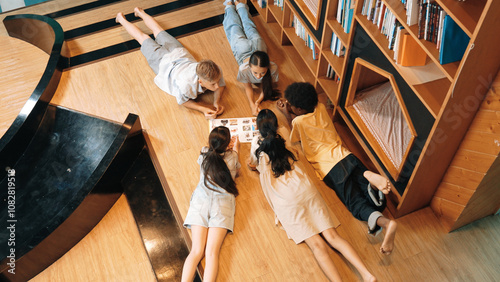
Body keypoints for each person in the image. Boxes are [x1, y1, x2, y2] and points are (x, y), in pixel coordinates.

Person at [248, 109, 376, 282]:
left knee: (317, 245)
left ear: (258, 128)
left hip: (287, 198)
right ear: (276, 125)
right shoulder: (283, 135)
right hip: (304, 189)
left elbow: (253, 165)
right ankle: (367, 275)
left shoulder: (257, 145)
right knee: (333, 237)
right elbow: (297, 154)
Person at [277, 82, 397, 255]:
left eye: (291, 105)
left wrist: (285, 113)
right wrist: (291, 108)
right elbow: (302, 111)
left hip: (331, 168)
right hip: (346, 156)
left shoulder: (299, 121)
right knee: (370, 192)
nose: (288, 106)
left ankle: (386, 223)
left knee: (356, 202)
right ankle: (368, 176)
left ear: (299, 110)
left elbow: (294, 133)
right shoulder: (319, 107)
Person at [116, 7, 225, 119]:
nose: (217, 86)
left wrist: (217, 102)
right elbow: (183, 102)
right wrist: (202, 109)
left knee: (157, 29)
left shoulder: (214, 71)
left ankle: (140, 12)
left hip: (178, 52)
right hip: (162, 62)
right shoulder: (186, 86)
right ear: (200, 82)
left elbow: (220, 85)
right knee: (142, 37)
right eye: (213, 84)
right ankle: (121, 19)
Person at [181, 126, 241, 282]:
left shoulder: (203, 153)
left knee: (196, 251)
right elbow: (237, 173)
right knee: (212, 253)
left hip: (201, 202)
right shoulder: (233, 156)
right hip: (222, 206)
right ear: (228, 144)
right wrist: (236, 149)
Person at [223, 0, 280, 116]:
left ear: (268, 66)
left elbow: (266, 85)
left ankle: (238, 4)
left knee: (247, 26)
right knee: (234, 27)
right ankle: (230, 5)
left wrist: (257, 102)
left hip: (258, 45)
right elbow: (248, 87)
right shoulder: (244, 69)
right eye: (255, 72)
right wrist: (251, 103)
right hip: (242, 50)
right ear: (249, 66)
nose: (258, 76)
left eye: (262, 73)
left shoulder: (273, 68)